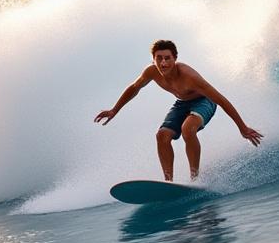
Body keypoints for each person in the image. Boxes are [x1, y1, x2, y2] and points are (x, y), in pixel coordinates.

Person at [95, 39, 262, 182]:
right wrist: (114, 110)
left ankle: (195, 179)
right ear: (153, 59)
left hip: (205, 102)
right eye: (158, 58)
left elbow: (221, 100)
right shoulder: (151, 72)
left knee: (187, 129)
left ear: (175, 58)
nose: (163, 63)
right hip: (182, 103)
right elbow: (134, 88)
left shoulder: (189, 77)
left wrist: (242, 127)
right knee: (162, 135)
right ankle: (168, 182)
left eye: (167, 58)